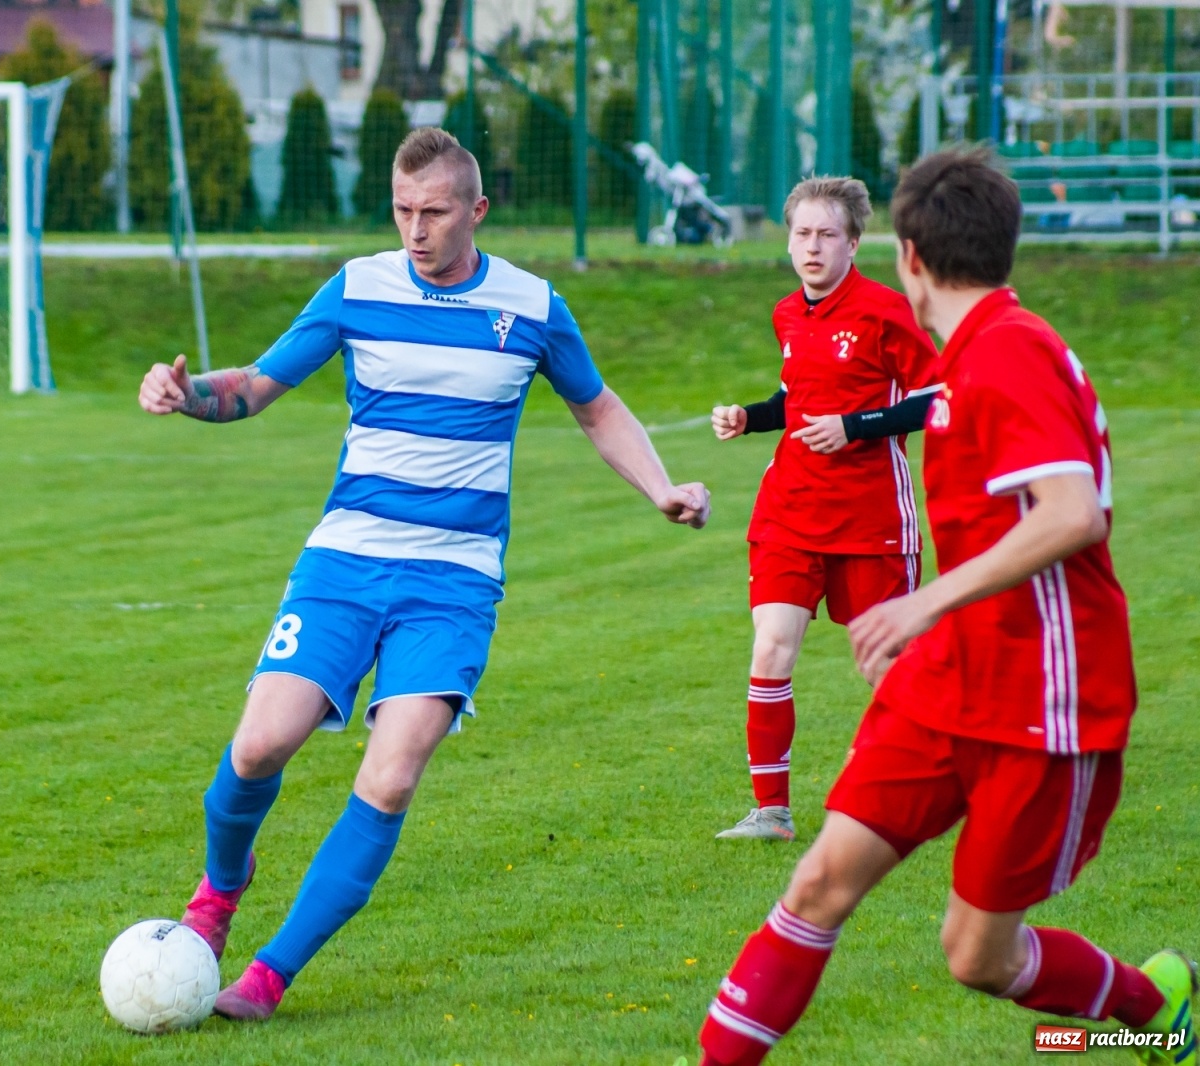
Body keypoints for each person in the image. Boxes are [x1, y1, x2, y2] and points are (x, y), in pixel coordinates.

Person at [139, 127, 710, 1021]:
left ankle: (271, 974)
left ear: (476, 211)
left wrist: (661, 489)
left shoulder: (530, 306)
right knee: (257, 747)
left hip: (453, 582)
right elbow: (252, 386)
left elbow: (598, 411)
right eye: (403, 211)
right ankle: (217, 894)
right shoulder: (357, 286)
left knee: (393, 774)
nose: (416, 230)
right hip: (345, 559)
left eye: (434, 212)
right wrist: (187, 396)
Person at [697, 149, 1195, 1066]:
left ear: (908, 259)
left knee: (976, 955)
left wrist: (926, 600)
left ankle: (1151, 1004)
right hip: (948, 679)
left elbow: (1073, 512)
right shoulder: (967, 355)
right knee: (816, 886)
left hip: (1043, 698)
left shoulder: (1007, 354)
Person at [709, 177, 940, 842]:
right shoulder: (788, 314)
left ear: (854, 243)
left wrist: (857, 426)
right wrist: (748, 417)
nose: (813, 247)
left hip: (871, 519)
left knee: (886, 665)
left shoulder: (886, 311)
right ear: (787, 242)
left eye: (827, 235)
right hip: (789, 510)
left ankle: (929, 784)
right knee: (772, 647)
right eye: (802, 234)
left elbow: (938, 397)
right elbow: (796, 398)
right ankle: (771, 812)